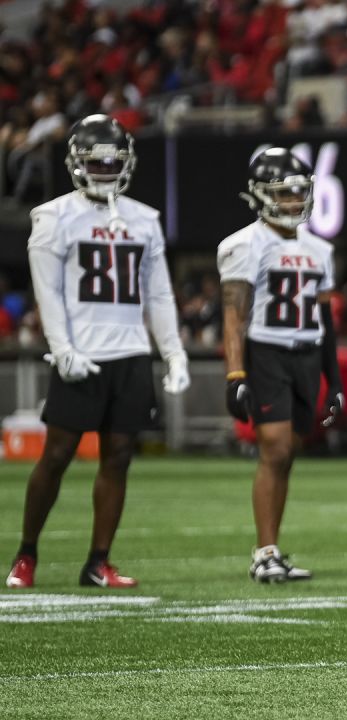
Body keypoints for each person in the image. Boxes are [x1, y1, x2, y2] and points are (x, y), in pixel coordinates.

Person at [6, 115, 189, 589]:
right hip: (81, 351)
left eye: (113, 160)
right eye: (96, 160)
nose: (106, 168)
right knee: (58, 454)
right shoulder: (53, 215)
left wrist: (173, 353)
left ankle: (98, 561)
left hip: (129, 352)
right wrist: (61, 348)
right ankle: (26, 554)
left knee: (120, 455)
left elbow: (160, 293)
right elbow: (47, 291)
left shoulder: (144, 218)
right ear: (75, 162)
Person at [218, 147, 343, 584]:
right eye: (282, 193)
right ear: (258, 195)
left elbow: (326, 319)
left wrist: (336, 376)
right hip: (266, 352)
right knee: (274, 448)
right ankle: (264, 552)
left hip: (307, 354)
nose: (292, 201)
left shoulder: (320, 249)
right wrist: (236, 374)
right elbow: (234, 316)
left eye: (297, 193)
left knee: (288, 452)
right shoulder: (244, 245)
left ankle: (271, 549)